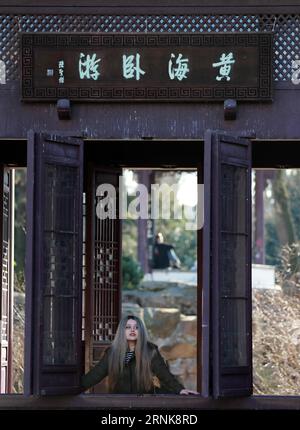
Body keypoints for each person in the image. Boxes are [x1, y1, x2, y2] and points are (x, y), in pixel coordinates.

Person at [80, 315, 198, 395]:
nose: (132, 330)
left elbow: (165, 375)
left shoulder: (150, 350)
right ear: (122, 331)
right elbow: (95, 375)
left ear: (140, 331)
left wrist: (180, 390)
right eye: (128, 327)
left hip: (145, 399)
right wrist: (75, 388)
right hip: (119, 399)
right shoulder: (112, 352)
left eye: (136, 327)